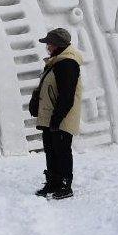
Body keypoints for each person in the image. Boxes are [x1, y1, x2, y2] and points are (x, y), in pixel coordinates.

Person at [29, 28, 82, 200]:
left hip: (60, 118)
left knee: (62, 150)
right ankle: (53, 182)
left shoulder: (67, 63)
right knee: (51, 150)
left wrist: (57, 118)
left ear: (58, 45)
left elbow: (67, 95)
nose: (47, 47)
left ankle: (66, 185)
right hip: (51, 116)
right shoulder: (56, 62)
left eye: (49, 44)